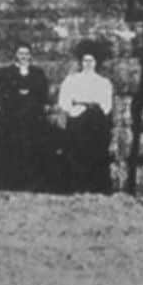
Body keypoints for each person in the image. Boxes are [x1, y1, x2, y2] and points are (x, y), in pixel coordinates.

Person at [0, 41, 51, 191]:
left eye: (26, 54)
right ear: (16, 55)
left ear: (30, 56)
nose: (24, 57)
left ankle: (33, 182)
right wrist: (16, 95)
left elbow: (43, 95)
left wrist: (30, 97)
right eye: (21, 54)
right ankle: (11, 181)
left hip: (33, 116)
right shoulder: (6, 73)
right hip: (11, 115)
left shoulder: (37, 73)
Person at [56, 39, 114, 193]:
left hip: (96, 120)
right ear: (81, 62)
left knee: (96, 150)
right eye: (85, 60)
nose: (88, 64)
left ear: (96, 62)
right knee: (77, 150)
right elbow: (63, 101)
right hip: (77, 118)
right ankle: (77, 186)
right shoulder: (71, 80)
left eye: (91, 60)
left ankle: (96, 186)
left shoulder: (104, 82)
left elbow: (107, 106)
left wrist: (95, 111)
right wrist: (74, 110)